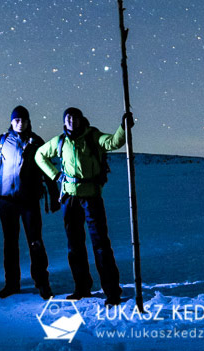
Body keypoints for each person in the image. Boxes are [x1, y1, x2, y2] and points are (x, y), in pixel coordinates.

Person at [34, 107, 134, 306]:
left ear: (81, 119)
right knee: (75, 246)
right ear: (65, 121)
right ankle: (82, 288)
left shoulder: (92, 136)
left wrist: (123, 127)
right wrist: (55, 175)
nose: (72, 120)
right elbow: (39, 155)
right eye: (68, 118)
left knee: (101, 246)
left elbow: (115, 142)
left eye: (75, 117)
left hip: (91, 198)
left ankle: (112, 291)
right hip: (70, 199)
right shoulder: (60, 141)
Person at [0, 105, 57, 299]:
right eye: (16, 120)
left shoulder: (37, 142)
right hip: (7, 201)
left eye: (23, 120)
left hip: (29, 201)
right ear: (11, 121)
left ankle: (42, 283)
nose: (20, 123)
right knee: (10, 244)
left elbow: (47, 170)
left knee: (35, 242)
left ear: (28, 121)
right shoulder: (3, 141)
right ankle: (12, 284)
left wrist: (54, 194)